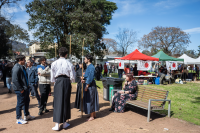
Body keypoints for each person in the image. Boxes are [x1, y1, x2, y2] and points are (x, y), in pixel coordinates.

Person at [51, 47, 76, 131]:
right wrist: (71, 81)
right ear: (66, 55)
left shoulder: (54, 63)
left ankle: (57, 124)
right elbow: (72, 75)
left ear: (59, 54)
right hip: (66, 81)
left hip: (58, 81)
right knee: (66, 101)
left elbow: (52, 75)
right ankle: (64, 123)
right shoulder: (69, 63)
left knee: (57, 101)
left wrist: (54, 82)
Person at [12, 55, 35, 124]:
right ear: (20, 60)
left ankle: (26, 115)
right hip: (20, 89)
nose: (25, 61)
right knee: (20, 103)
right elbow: (15, 80)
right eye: (24, 60)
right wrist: (20, 89)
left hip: (25, 88)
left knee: (26, 102)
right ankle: (18, 118)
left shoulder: (22, 67)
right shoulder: (16, 68)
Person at [81, 54, 99, 121]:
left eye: (85, 59)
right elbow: (87, 76)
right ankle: (93, 114)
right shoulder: (88, 66)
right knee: (91, 99)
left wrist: (87, 85)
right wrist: (84, 80)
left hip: (90, 85)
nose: (84, 60)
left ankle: (92, 116)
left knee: (91, 99)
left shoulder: (91, 67)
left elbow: (90, 77)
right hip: (89, 84)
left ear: (88, 59)